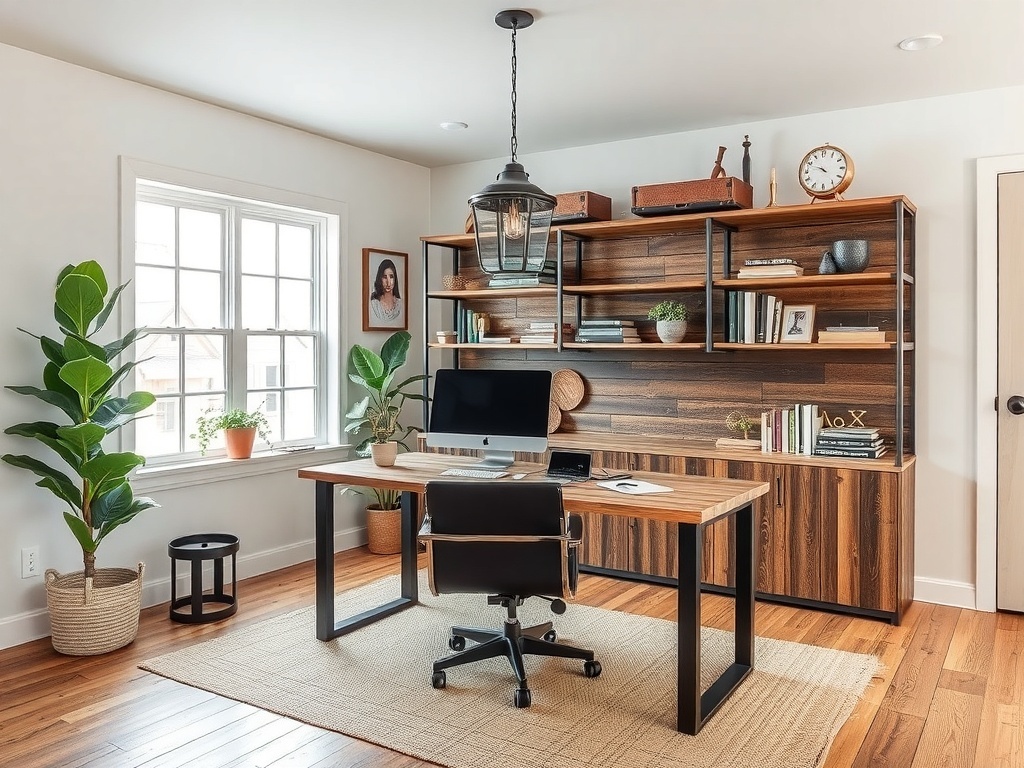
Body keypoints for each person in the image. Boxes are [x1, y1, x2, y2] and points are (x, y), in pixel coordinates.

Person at [369, 259, 403, 326]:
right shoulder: (374, 304)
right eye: (384, 277)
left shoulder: (400, 304)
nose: (388, 282)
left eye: (391, 277)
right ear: (380, 278)